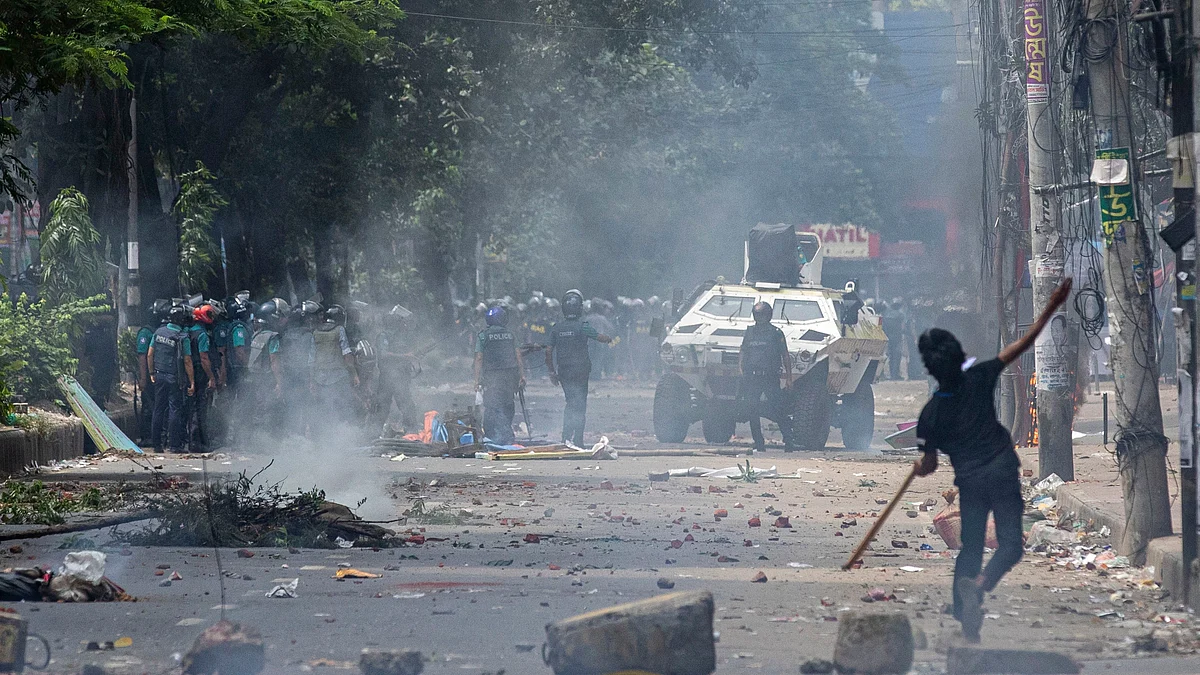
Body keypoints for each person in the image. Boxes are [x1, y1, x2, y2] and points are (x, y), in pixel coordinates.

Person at [913, 278, 1073, 643]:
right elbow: (1023, 343)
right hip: (1001, 470)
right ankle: (982, 586)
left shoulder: (931, 413)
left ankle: (961, 607)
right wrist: (1051, 306)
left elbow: (930, 465)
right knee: (1011, 546)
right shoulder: (980, 376)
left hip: (970, 482)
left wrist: (922, 464)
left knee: (969, 548)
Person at [545, 290, 613, 447]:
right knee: (580, 404)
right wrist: (609, 339)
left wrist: (551, 372)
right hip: (581, 371)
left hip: (564, 372)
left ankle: (565, 437)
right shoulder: (583, 326)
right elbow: (598, 336)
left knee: (570, 402)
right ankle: (578, 440)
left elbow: (548, 351)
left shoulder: (557, 328)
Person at [739, 301, 795, 453]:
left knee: (778, 410)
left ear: (769, 315)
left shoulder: (776, 333)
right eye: (757, 314)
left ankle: (789, 440)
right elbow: (743, 351)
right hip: (753, 378)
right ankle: (759, 443)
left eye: (763, 314)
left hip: (770, 377)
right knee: (752, 410)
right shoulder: (749, 332)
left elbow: (785, 355)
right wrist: (741, 369)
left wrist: (789, 378)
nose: (760, 318)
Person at [147, 305, 195, 453]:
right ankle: (174, 446)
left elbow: (150, 354)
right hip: (174, 377)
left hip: (159, 375)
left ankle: (156, 445)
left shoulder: (158, 332)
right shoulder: (182, 337)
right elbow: (187, 361)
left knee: (158, 408)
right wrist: (192, 382)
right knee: (174, 409)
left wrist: (151, 373)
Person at [474, 306, 524, 445]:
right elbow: (518, 356)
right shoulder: (510, 334)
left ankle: (492, 436)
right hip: (510, 375)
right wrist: (522, 376)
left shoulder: (483, 335)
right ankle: (505, 433)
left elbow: (479, 358)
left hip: (491, 376)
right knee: (508, 404)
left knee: (491, 405)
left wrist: (476, 380)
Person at [310, 304, 361, 424]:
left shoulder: (316, 332)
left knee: (325, 408)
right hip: (339, 376)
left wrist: (312, 381)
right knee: (345, 406)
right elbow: (347, 354)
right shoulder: (340, 330)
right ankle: (346, 432)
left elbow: (311, 359)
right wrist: (354, 374)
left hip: (320, 378)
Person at [374, 305, 420, 432]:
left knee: (407, 406)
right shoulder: (384, 336)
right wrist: (405, 356)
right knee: (383, 407)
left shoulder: (401, 336)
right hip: (388, 378)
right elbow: (383, 355)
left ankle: (411, 432)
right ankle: (374, 434)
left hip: (400, 377)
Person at [136, 299, 169, 445]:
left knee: (160, 405)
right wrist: (144, 378)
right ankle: (147, 436)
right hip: (150, 375)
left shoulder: (160, 331)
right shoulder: (146, 332)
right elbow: (142, 356)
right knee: (149, 406)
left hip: (159, 373)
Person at [250, 299, 287, 430]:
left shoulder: (256, 335)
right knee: (272, 409)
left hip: (256, 378)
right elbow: (274, 360)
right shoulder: (273, 337)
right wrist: (279, 383)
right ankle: (270, 441)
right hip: (268, 378)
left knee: (260, 407)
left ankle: (258, 439)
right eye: (281, 316)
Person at [186, 304, 218, 451]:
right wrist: (211, 377)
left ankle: (192, 441)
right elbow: (204, 358)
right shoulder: (202, 335)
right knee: (200, 408)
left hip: (188, 372)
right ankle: (198, 443)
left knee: (191, 407)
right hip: (199, 373)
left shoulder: (187, 332)